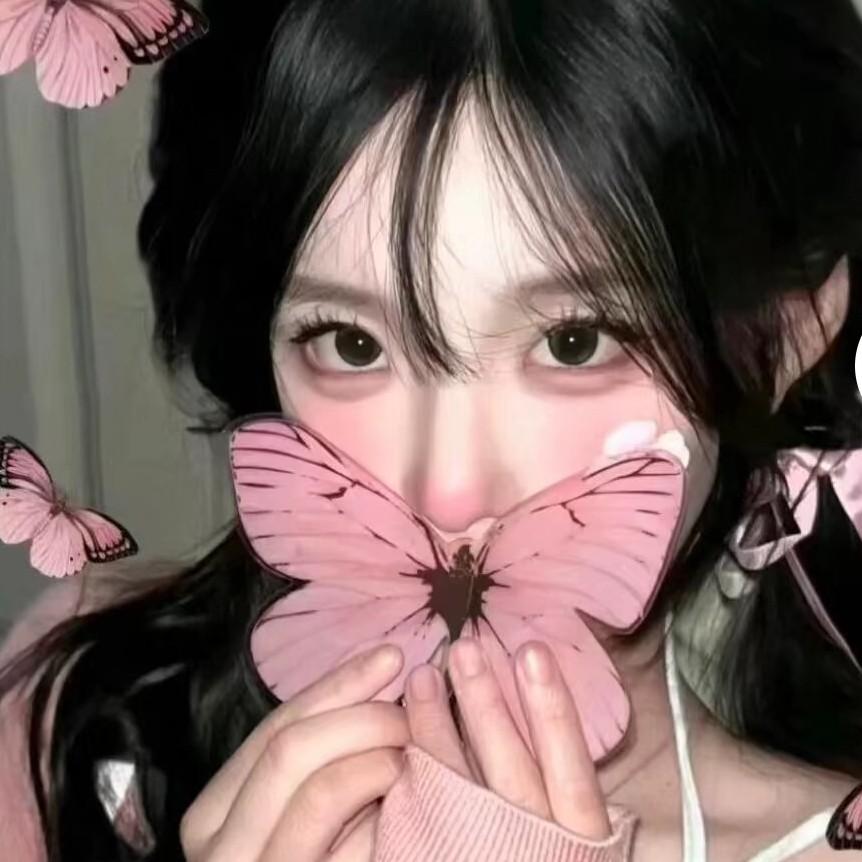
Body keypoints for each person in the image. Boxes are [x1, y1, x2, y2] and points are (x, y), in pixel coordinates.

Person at [2, 0, 862, 859]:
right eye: (351, 343)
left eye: (574, 342)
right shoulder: (76, 709)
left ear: (784, 338)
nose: (446, 490)